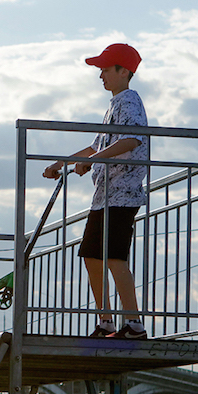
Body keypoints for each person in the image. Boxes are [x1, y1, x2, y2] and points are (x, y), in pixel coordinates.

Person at [44, 42, 149, 339]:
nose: (100, 74)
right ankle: (106, 322)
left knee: (114, 256)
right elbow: (97, 146)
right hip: (104, 196)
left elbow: (131, 140)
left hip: (123, 192)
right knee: (91, 254)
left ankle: (134, 324)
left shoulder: (129, 101)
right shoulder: (114, 105)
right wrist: (64, 161)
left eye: (105, 69)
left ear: (123, 71)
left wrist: (92, 160)